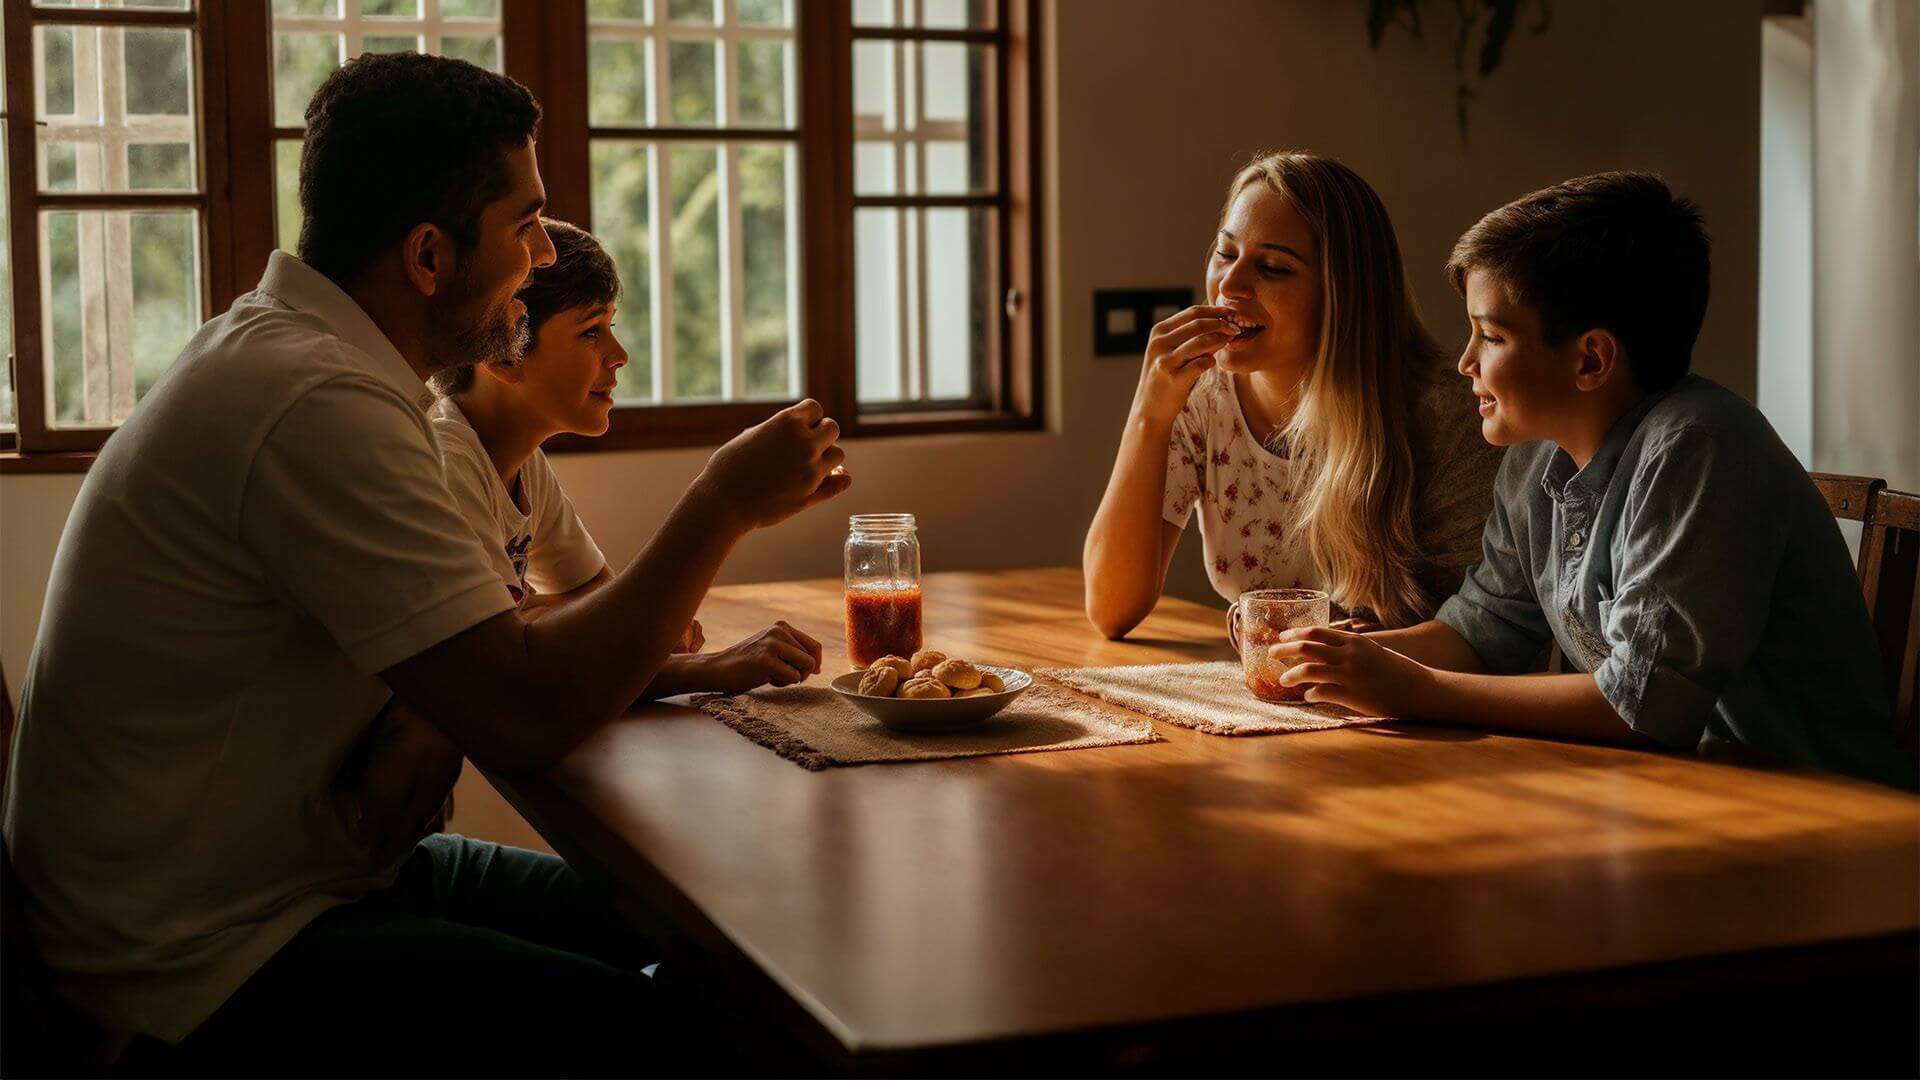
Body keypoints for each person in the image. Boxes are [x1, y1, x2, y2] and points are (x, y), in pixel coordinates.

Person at [1, 52, 849, 1073]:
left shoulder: (305, 361)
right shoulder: (316, 403)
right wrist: (720, 503)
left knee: (716, 935)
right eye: (526, 225)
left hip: (311, 880)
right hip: (197, 957)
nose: (544, 255)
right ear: (430, 256)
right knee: (679, 1026)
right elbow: (523, 711)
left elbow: (499, 669)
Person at [1271, 172, 1916, 790]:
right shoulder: (1534, 458)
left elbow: (1644, 707)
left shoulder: (1699, 447)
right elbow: (1484, 629)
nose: (1465, 362)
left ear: (1591, 359)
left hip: (1821, 807)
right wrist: (1345, 660)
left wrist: (1419, 690)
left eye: (1490, 336)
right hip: (1669, 793)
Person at [1083, 150, 1500, 638]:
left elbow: (1487, 636)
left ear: (1343, 293)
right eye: (1225, 253)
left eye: (1273, 268)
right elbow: (1111, 609)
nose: (1230, 285)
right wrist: (1149, 415)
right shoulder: (1201, 396)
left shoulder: (1449, 416)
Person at [430, 218, 824, 696]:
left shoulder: (522, 463)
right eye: (591, 332)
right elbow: (507, 681)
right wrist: (706, 667)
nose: (620, 355)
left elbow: (603, 603)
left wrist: (633, 627)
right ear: (504, 356)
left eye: (610, 327)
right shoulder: (449, 466)